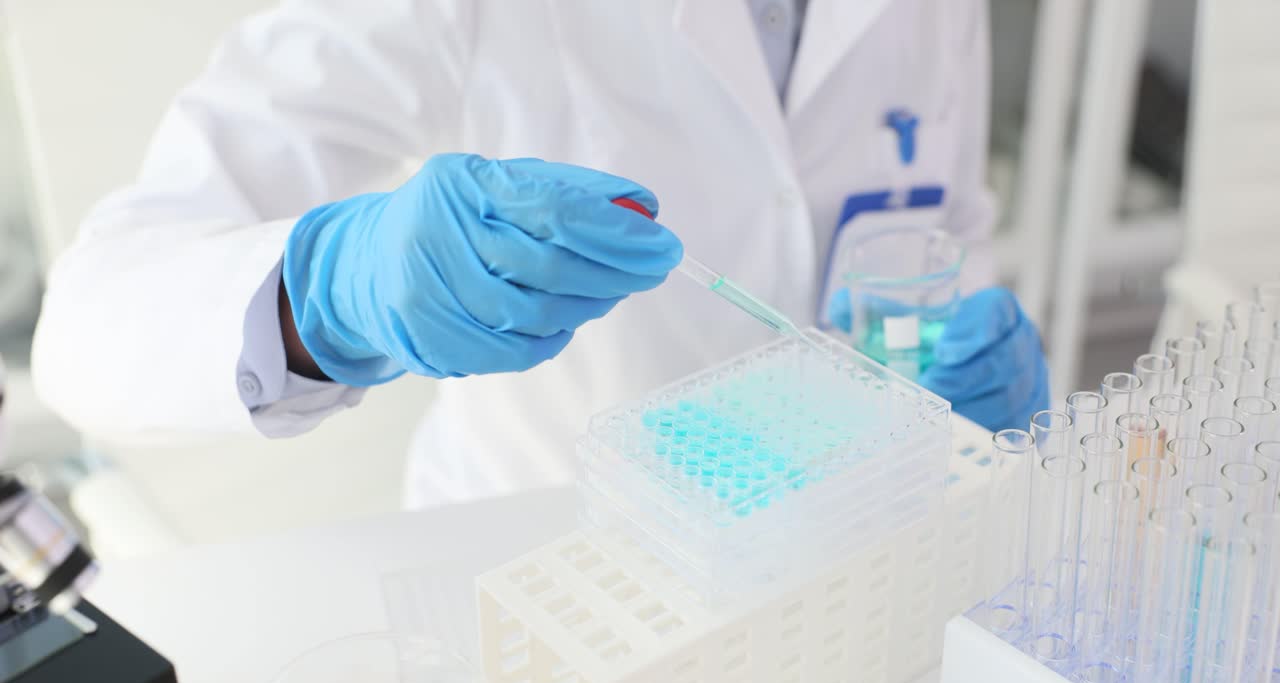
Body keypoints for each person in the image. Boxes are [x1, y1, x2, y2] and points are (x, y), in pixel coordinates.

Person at [32, 0, 1048, 508]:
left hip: (834, 555)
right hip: (546, 566)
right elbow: (86, 330)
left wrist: (941, 374)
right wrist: (330, 292)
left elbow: (933, 225)